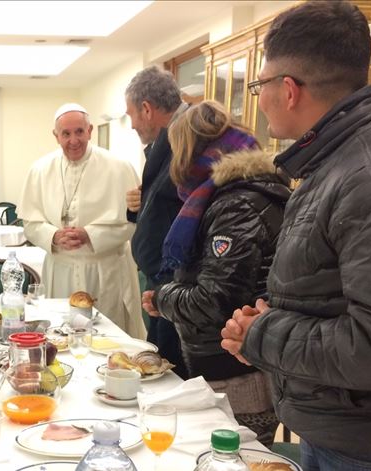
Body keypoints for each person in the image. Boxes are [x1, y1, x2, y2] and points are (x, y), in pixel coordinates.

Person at [219, 1, 371, 468]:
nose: (258, 99)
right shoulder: (338, 165)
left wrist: (262, 334)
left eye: (259, 85)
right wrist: (268, 322)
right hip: (348, 430)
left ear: (288, 90)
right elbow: (334, 296)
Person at [141, 100, 288, 445]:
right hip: (240, 361)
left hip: (238, 372)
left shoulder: (235, 205)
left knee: (234, 457)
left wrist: (163, 298)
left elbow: (215, 300)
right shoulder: (243, 193)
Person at [21, 103, 146, 339]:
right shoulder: (39, 170)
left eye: (79, 132)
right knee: (62, 336)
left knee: (107, 338)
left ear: (90, 131)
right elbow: (30, 224)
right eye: (66, 134)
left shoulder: (119, 168)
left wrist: (91, 234)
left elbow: (132, 223)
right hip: (61, 269)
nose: (73, 140)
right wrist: (53, 235)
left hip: (104, 269)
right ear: (56, 135)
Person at [124, 66, 189, 378]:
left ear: (146, 109)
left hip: (180, 291)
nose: (133, 124)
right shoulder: (169, 142)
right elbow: (168, 205)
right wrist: (141, 207)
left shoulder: (189, 141)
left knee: (176, 384)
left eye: (131, 115)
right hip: (165, 289)